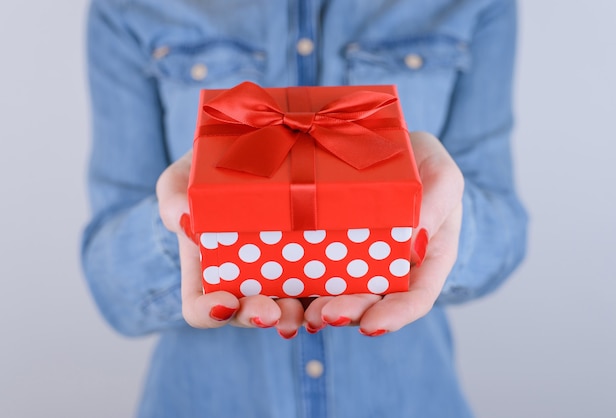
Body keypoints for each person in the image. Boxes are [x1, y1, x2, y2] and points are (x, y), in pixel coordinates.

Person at [82, 0, 527, 417]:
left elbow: (504, 233)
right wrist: (191, 221)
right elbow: (113, 289)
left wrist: (436, 214)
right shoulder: (128, 7)